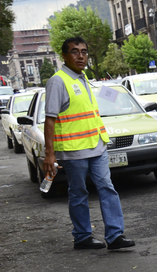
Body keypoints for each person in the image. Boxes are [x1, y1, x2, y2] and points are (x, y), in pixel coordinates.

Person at [42, 36, 135, 251]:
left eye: (84, 51)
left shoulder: (83, 79)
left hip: (97, 145)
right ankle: (82, 236)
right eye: (75, 51)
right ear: (64, 56)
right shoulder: (58, 81)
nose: (81, 56)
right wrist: (50, 154)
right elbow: (50, 119)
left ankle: (114, 236)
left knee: (107, 187)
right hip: (74, 150)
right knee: (78, 192)